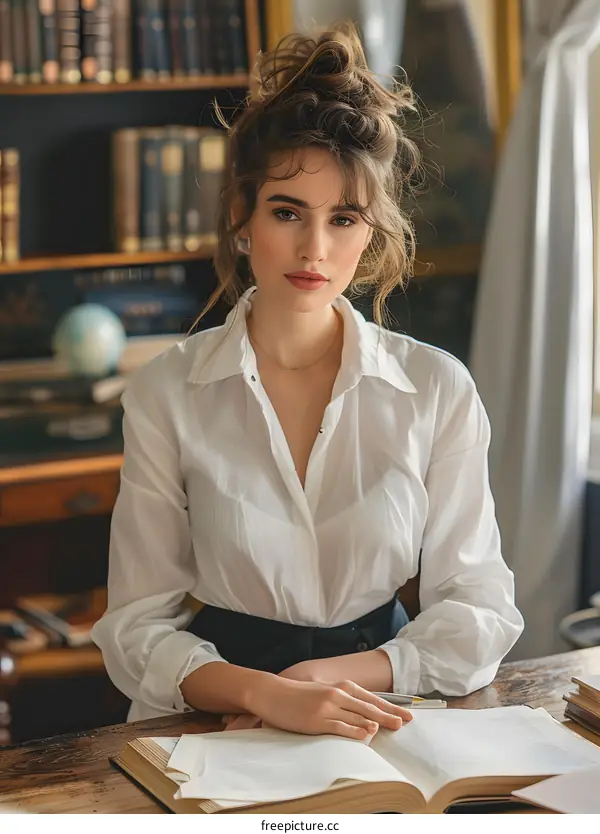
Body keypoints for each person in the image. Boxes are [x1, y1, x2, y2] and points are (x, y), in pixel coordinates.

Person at [91, 24, 524, 741]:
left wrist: (330, 677)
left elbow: (480, 611)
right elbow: (135, 627)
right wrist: (263, 693)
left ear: (371, 233)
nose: (314, 249)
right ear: (242, 217)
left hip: (383, 708)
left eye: (343, 219)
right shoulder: (167, 390)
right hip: (216, 717)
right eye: (287, 212)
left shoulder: (437, 389)